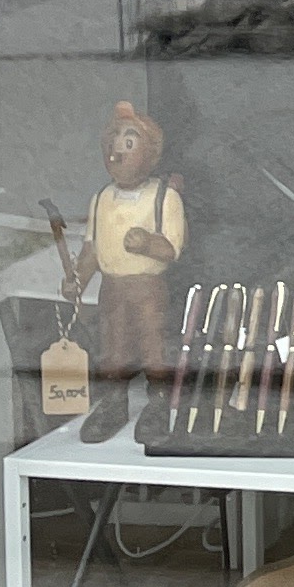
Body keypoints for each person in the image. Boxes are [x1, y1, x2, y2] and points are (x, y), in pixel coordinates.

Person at [72, 99, 187, 445]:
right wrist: (78, 279)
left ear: (150, 153)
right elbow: (92, 248)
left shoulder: (164, 198)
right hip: (113, 288)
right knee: (113, 347)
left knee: (154, 346)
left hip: (148, 288)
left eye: (129, 141)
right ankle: (114, 402)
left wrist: (148, 243)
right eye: (113, 140)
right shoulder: (101, 198)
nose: (117, 150)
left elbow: (172, 248)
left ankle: (159, 402)